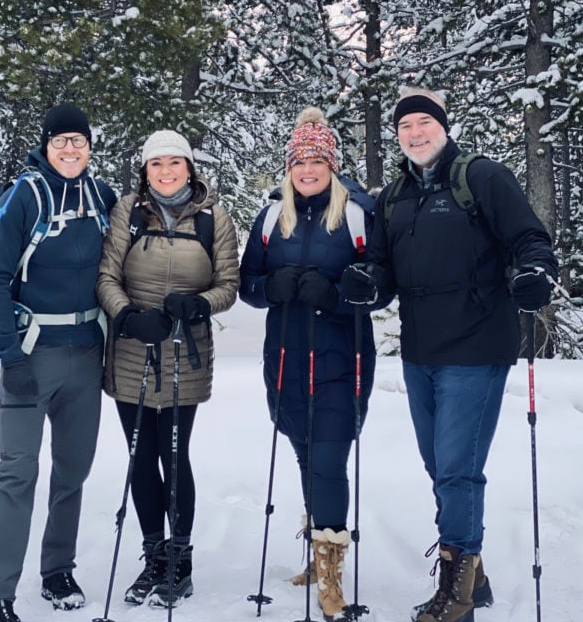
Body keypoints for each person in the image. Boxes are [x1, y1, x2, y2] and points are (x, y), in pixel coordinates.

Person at [341, 87, 558, 622]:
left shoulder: (481, 177)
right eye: (404, 127)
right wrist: (369, 282)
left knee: (458, 468)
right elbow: (385, 269)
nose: (414, 134)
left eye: (423, 123)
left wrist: (536, 271)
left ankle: (456, 590)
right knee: (439, 465)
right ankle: (474, 573)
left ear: (442, 125)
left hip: (477, 343)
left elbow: (530, 238)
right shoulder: (394, 196)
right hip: (420, 350)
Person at [239, 107, 383, 622]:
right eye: (299, 162)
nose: (307, 170)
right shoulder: (270, 215)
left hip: (343, 355)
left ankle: (332, 571)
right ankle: (318, 554)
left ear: (332, 165)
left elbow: (379, 286)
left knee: (327, 459)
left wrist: (338, 294)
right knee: (303, 452)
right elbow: (246, 284)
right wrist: (268, 289)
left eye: (317, 162)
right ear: (288, 166)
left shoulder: (358, 213)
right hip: (284, 357)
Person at [0, 104, 117, 622]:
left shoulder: (101, 196)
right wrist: (8, 355)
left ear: (89, 147)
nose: (70, 150)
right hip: (30, 356)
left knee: (73, 470)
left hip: (86, 355)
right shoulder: (24, 196)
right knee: (17, 472)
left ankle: (58, 568)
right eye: (60, 141)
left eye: (78, 142)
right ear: (46, 144)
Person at [96, 129, 239, 609]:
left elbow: (228, 283)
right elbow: (106, 275)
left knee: (174, 458)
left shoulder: (213, 218)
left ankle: (180, 561)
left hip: (185, 351)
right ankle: (153, 556)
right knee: (141, 458)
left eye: (174, 163)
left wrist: (198, 305)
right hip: (133, 348)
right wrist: (128, 314)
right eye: (156, 164)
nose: (165, 171)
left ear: (189, 168)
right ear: (145, 170)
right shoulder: (128, 212)